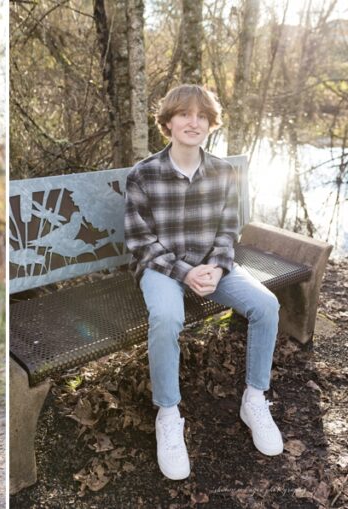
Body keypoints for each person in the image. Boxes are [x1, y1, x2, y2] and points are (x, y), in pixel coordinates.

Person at [125, 84, 284, 481]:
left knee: (266, 305)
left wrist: (216, 266)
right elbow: (140, 242)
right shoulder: (143, 175)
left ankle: (254, 399)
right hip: (163, 270)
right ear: (168, 122)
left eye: (202, 116)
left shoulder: (224, 172)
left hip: (211, 266)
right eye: (184, 114)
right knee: (167, 318)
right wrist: (184, 272)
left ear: (211, 124)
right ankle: (168, 414)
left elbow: (229, 231)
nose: (193, 122)